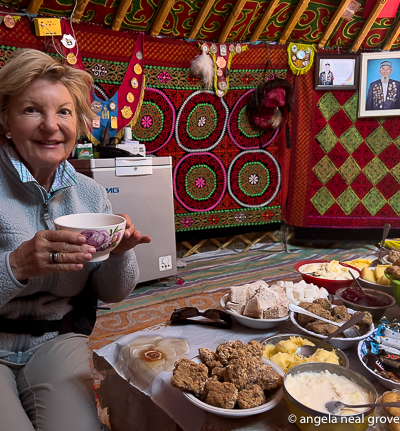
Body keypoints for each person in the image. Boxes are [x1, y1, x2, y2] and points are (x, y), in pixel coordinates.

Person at [0, 48, 151, 431]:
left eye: (64, 112)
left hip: (55, 336)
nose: (51, 126)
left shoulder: (90, 194)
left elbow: (112, 292)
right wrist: (15, 266)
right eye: (32, 110)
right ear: (5, 118)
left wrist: (119, 255)